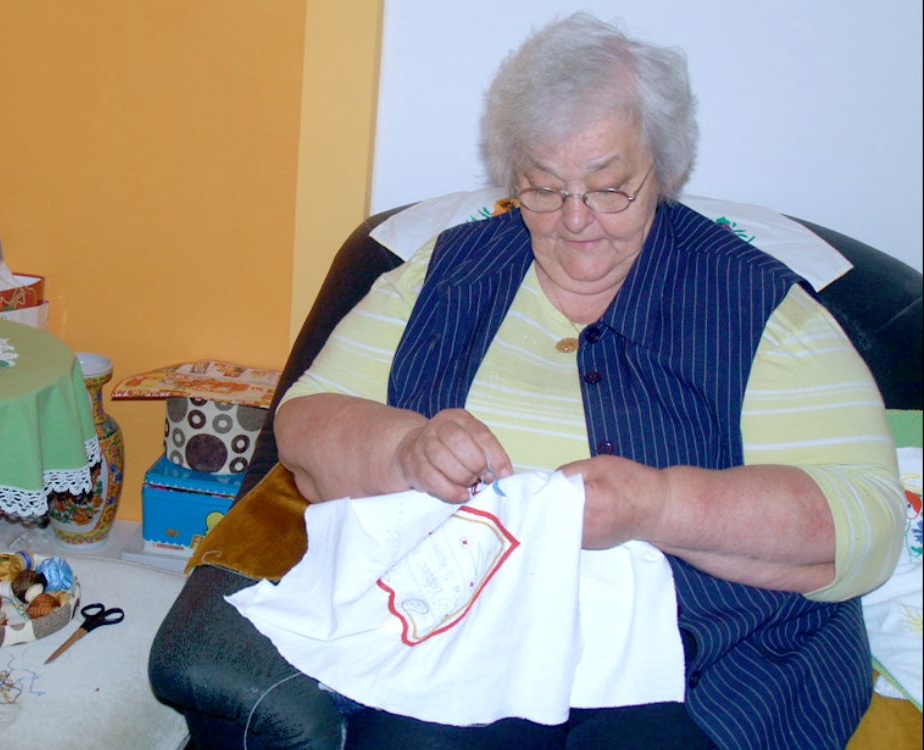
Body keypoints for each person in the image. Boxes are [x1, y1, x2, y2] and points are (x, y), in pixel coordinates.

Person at [269, 12, 902, 750]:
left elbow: (869, 523)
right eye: (543, 189)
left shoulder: (759, 306)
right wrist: (407, 449)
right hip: (469, 639)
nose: (576, 221)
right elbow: (303, 423)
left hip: (711, 665)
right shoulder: (444, 275)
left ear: (664, 170)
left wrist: (658, 505)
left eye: (608, 189)